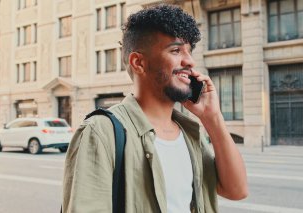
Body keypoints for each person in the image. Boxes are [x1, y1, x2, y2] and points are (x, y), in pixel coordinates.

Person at [62, 4, 248, 213]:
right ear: (138, 62)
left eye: (189, 51)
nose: (190, 61)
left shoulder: (189, 133)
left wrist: (212, 118)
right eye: (176, 50)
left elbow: (236, 190)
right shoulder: (101, 132)